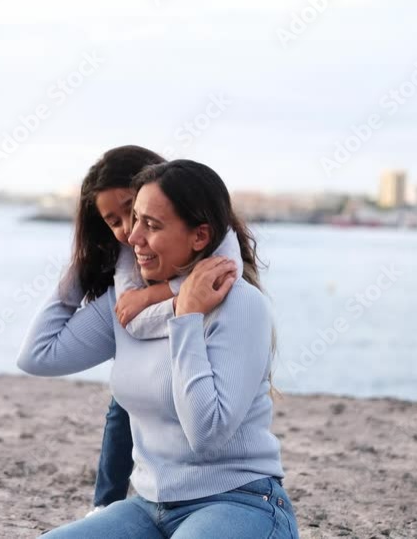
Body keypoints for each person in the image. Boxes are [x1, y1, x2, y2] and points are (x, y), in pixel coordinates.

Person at [17, 160, 299, 538]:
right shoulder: (128, 308)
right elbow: (39, 355)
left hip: (238, 501)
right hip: (148, 508)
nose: (132, 237)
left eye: (151, 225)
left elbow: (206, 435)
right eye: (133, 220)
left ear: (199, 236)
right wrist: (84, 264)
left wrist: (187, 318)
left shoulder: (240, 305)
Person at [69, 146, 243, 514]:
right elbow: (37, 356)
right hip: (161, 332)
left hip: (196, 328)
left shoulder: (211, 239)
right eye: (114, 221)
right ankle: (107, 503)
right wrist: (77, 269)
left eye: (132, 212)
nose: (128, 231)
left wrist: (157, 295)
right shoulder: (130, 248)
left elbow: (224, 271)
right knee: (124, 403)